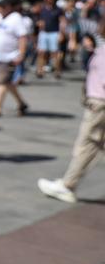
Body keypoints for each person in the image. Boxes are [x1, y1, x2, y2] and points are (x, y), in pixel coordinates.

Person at [37, 18, 105, 203]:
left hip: (100, 104)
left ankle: (67, 185)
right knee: (91, 145)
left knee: (87, 144)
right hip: (98, 102)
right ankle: (68, 183)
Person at [0, 0, 29, 116]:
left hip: (9, 56)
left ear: (9, 7)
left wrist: (21, 54)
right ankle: (21, 103)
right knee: (7, 82)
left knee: (2, 81)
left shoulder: (16, 18)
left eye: (2, 6)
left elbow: (23, 37)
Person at [36, 0, 66, 79]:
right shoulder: (41, 8)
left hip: (54, 32)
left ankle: (57, 71)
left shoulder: (58, 9)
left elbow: (62, 22)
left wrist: (61, 33)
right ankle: (40, 70)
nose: (48, 0)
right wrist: (38, 24)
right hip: (43, 32)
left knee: (55, 53)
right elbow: (37, 19)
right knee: (41, 52)